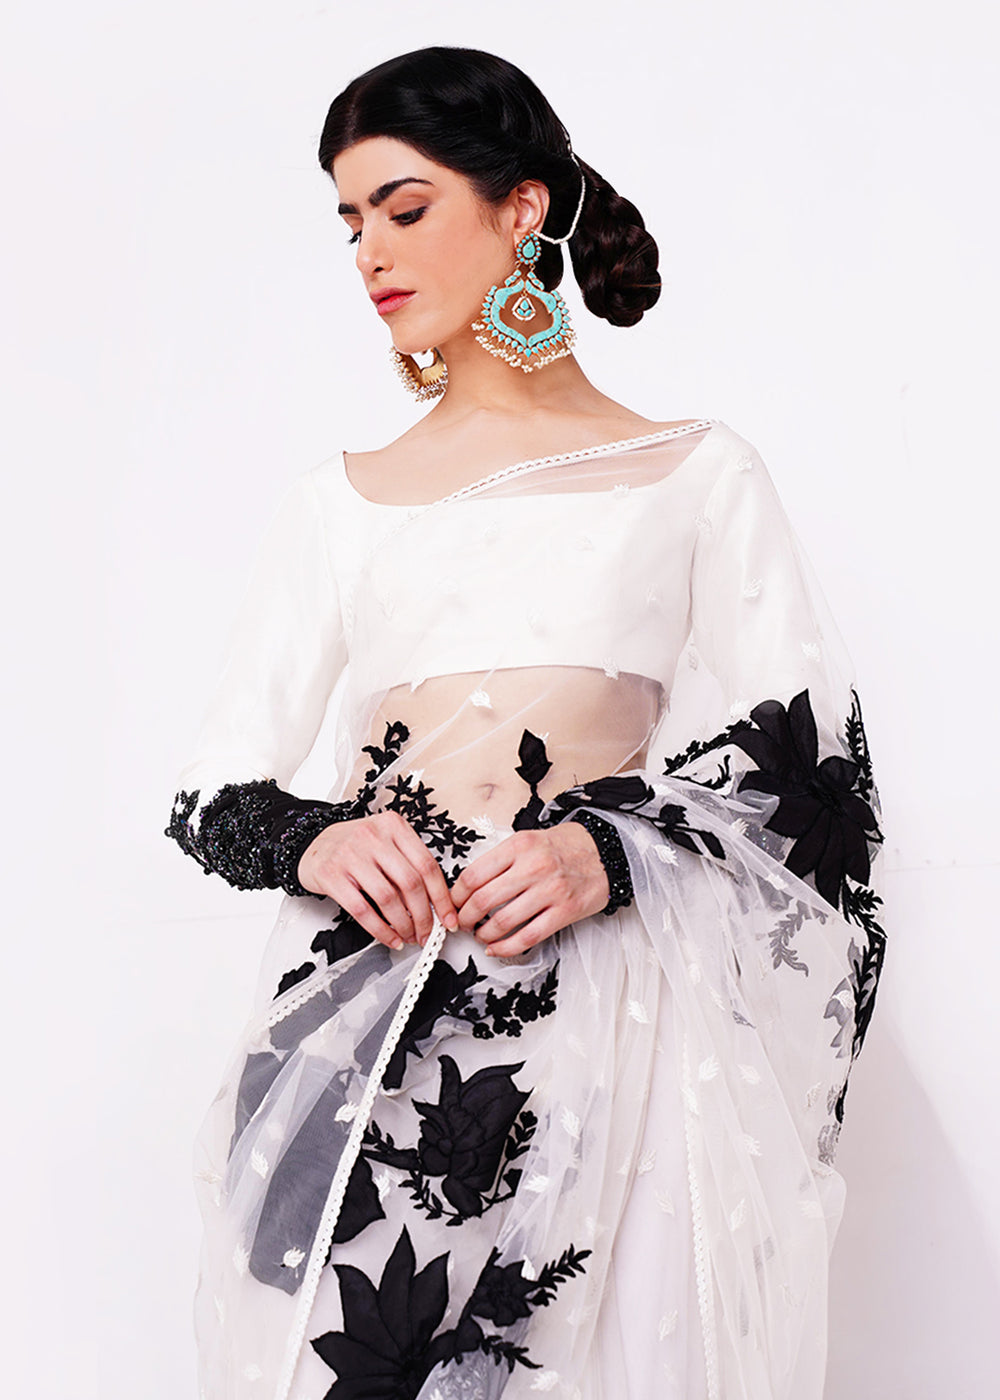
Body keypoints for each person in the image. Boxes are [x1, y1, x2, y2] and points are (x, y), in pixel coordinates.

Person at [166, 46, 886, 1400]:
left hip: (615, 1045)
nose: (371, 252)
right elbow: (212, 783)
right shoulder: (341, 501)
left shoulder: (695, 475)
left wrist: (606, 849)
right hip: (369, 1033)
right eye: (350, 221)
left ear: (523, 208)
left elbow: (819, 775)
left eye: (405, 207)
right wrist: (319, 839)